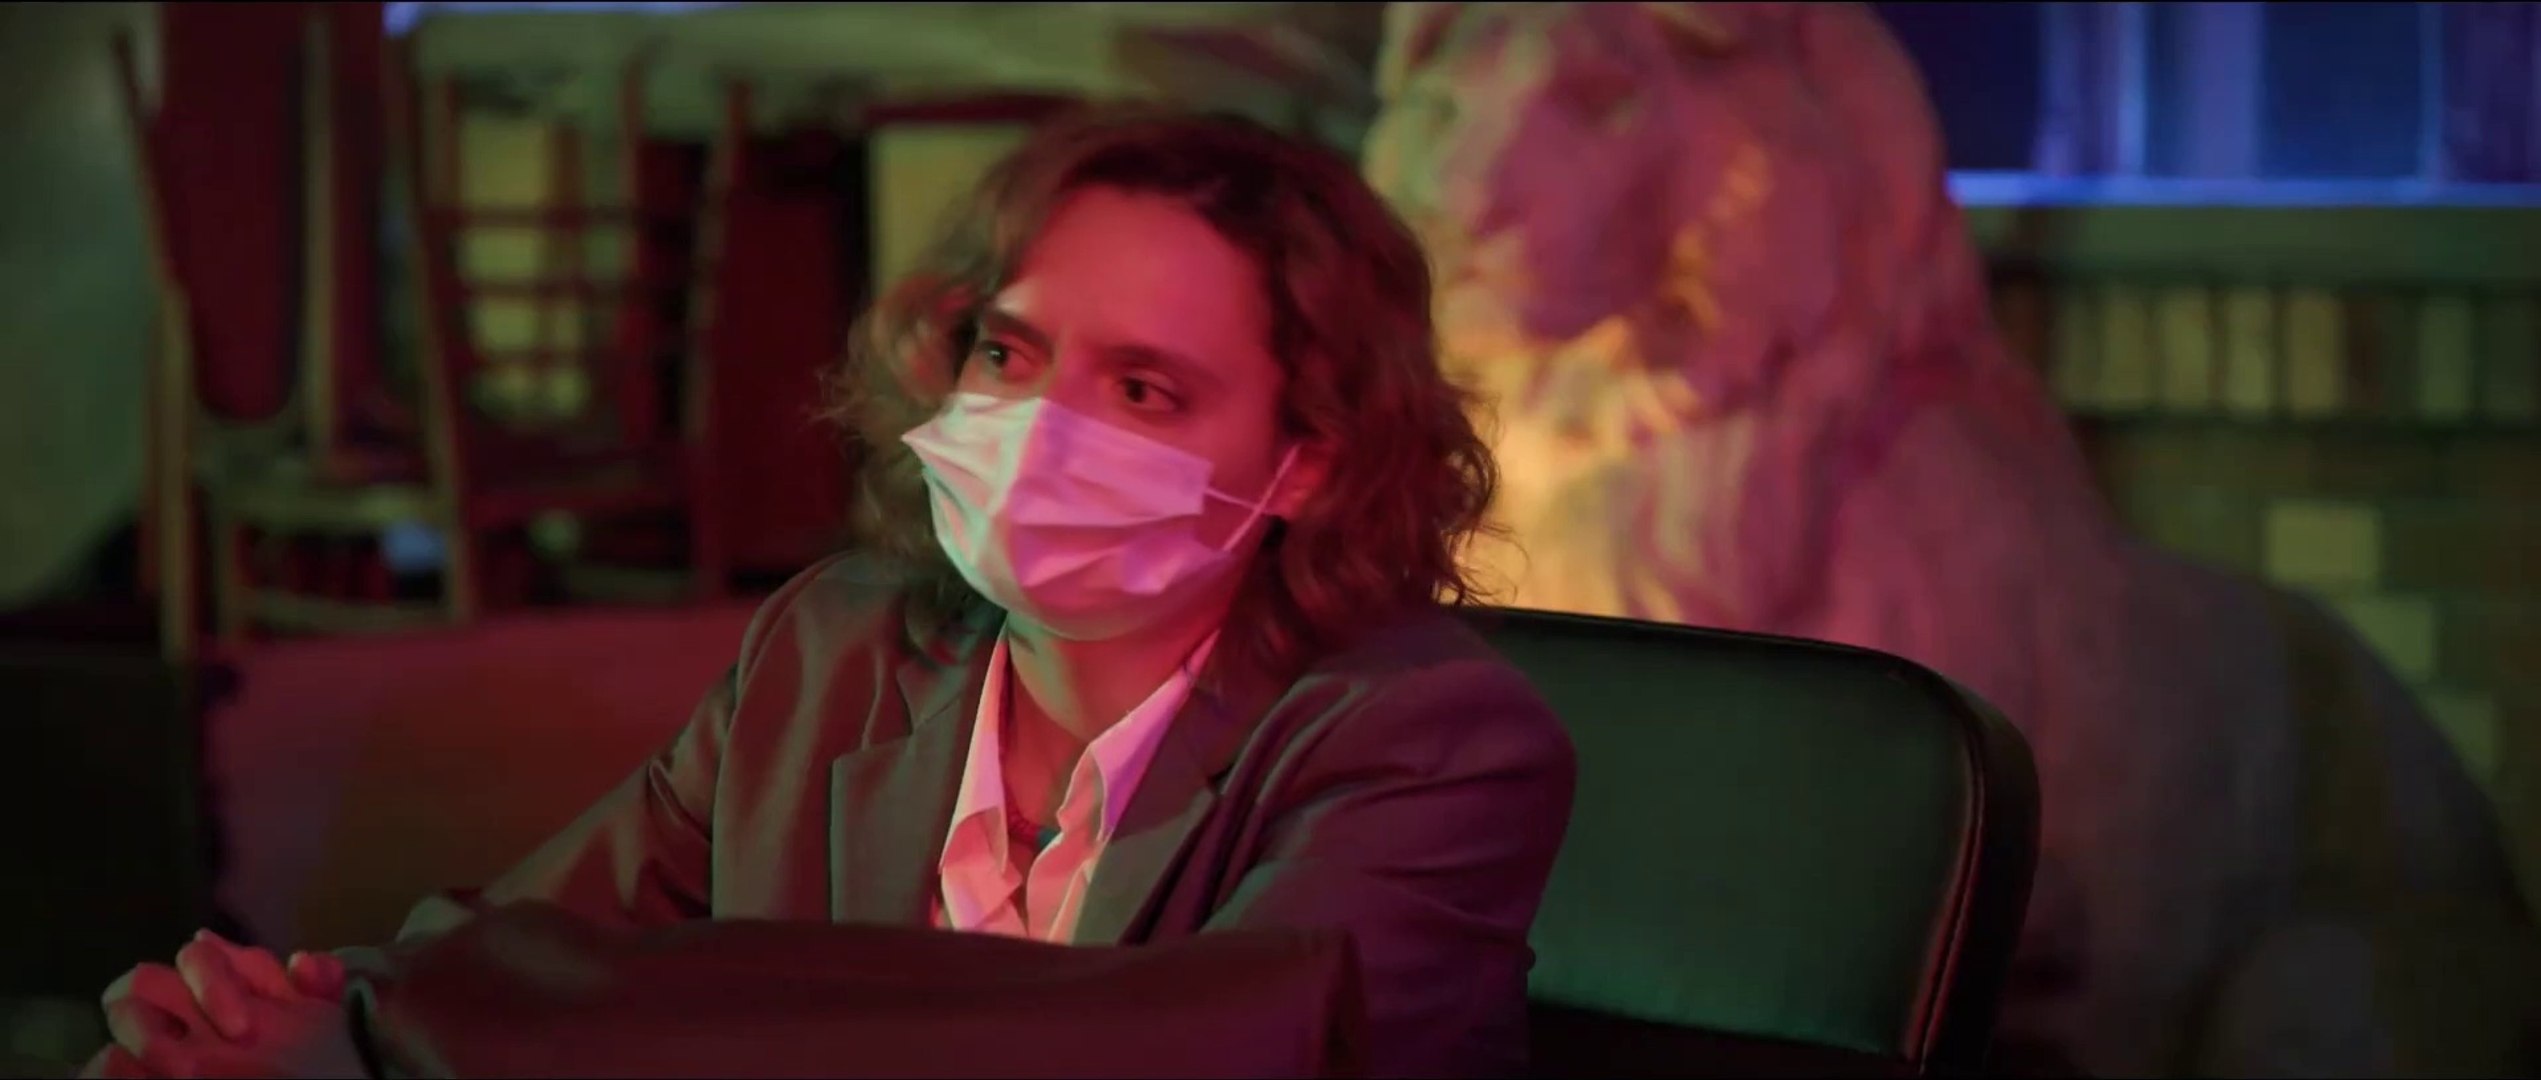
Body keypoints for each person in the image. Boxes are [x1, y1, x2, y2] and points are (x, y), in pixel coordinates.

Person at [85, 107, 1578, 1079]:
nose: (1040, 430)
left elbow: (1189, 1053)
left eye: (1143, 390)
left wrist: (412, 1042)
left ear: (1308, 461)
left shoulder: (1434, 741)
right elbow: (531, 951)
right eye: (1008, 353)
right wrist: (289, 1017)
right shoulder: (834, 648)